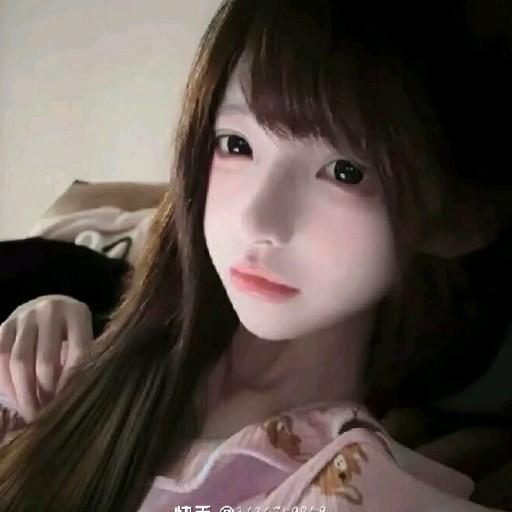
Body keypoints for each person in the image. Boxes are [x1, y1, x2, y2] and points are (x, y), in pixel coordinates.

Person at [0, 1, 511, 511]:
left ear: (460, 219)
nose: (258, 221)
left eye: (345, 172)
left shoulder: (356, 490)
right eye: (237, 144)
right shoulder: (78, 360)